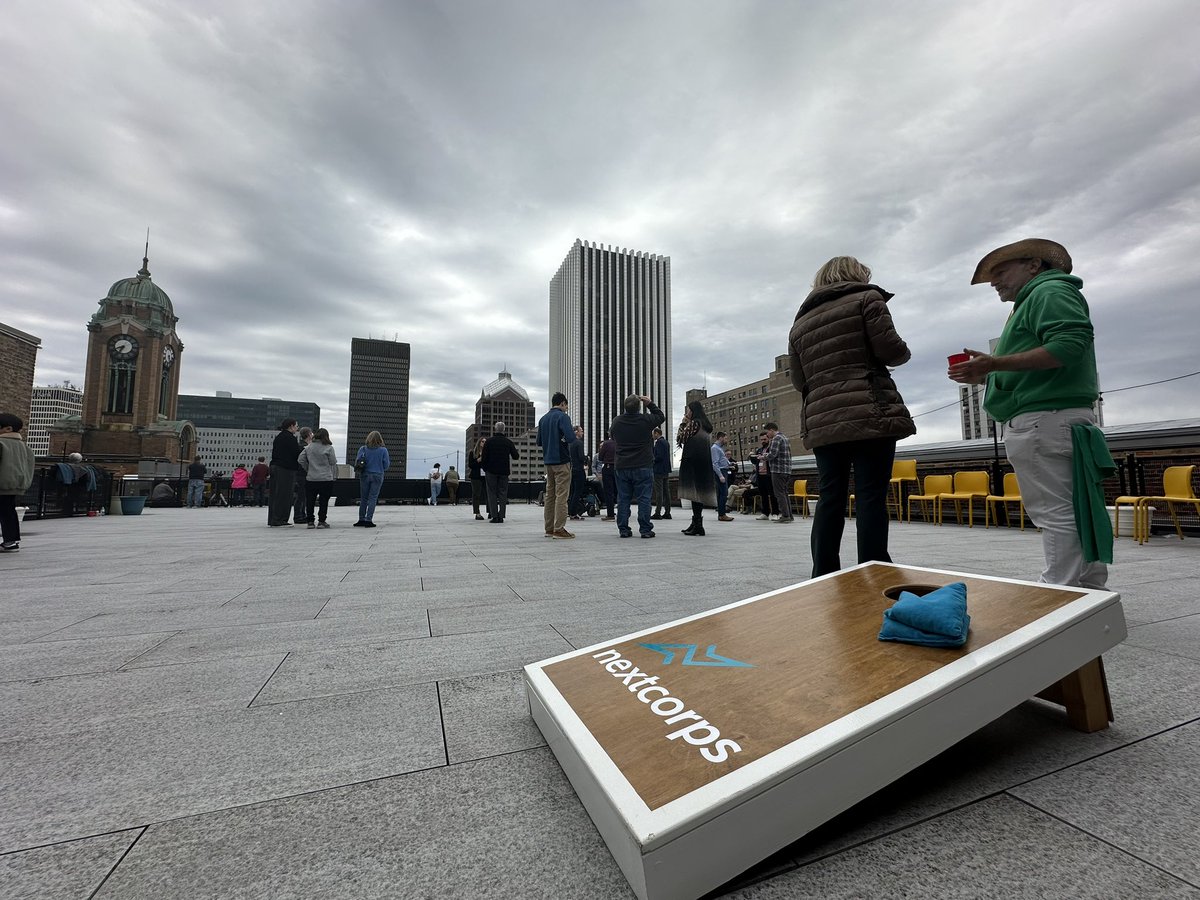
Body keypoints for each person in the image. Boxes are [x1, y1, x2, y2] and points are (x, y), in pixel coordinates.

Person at [950, 238, 1106, 589]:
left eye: (1001, 271)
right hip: (1060, 415)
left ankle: (1059, 590)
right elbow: (1064, 348)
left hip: (1042, 418)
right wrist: (990, 370)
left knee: (1054, 512)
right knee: (1076, 507)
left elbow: (1068, 346)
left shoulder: (1046, 293)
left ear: (1033, 265)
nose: (994, 282)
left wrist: (995, 363)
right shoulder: (1046, 296)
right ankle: (1089, 588)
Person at [788, 255, 915, 577]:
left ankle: (823, 572)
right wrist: (904, 351)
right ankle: (874, 570)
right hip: (868, 409)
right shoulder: (866, 298)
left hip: (823, 419)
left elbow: (800, 381)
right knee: (871, 494)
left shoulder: (800, 323)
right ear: (857, 275)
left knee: (831, 495)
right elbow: (891, 351)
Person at [609, 394, 665, 538]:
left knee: (623, 498)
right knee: (644, 498)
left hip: (622, 465)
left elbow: (612, 435)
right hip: (643, 464)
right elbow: (660, 416)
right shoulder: (645, 420)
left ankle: (623, 529)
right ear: (639, 406)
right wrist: (650, 403)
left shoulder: (617, 421)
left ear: (624, 407)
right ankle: (645, 529)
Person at [537, 392, 578, 539]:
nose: (566, 408)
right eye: (566, 406)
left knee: (550, 495)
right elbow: (571, 438)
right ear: (562, 403)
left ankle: (549, 528)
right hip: (562, 460)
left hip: (548, 461)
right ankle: (559, 529)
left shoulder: (543, 419)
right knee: (562, 495)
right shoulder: (562, 417)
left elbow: (539, 442)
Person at [676, 400, 717, 536]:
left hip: (692, 461)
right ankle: (696, 523)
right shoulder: (706, 426)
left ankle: (698, 525)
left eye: (688, 410)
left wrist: (683, 423)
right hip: (704, 461)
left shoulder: (694, 423)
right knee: (699, 492)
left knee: (694, 493)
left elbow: (681, 438)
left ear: (693, 411)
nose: (687, 413)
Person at [0, 413, 36, 552]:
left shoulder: (2, 443)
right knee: (8, 511)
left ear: (8, 429)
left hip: (2, 484)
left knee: (5, 511)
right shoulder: (24, 447)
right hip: (16, 485)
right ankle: (11, 541)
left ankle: (10, 542)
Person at [480, 422, 519, 524]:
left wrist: (485, 468)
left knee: (491, 493)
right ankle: (501, 516)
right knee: (503, 493)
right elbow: (516, 456)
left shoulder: (489, 442)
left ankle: (494, 516)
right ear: (504, 430)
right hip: (504, 471)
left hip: (491, 471)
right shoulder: (508, 442)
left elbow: (484, 457)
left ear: (495, 429)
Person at [299, 427, 338, 529]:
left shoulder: (309, 447)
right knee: (323, 501)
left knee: (310, 501)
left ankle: (310, 522)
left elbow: (301, 459)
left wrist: (308, 468)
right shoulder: (329, 448)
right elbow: (333, 462)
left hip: (311, 478)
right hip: (325, 478)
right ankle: (321, 521)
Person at [268, 419, 302, 527]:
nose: (297, 428)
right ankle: (280, 519)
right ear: (291, 426)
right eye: (296, 426)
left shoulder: (279, 437)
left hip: (275, 467)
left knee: (275, 495)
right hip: (285, 469)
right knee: (284, 494)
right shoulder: (290, 438)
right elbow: (296, 453)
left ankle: (273, 518)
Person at [354, 431, 390, 527]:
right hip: (378, 475)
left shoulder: (363, 449)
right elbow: (386, 465)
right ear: (380, 439)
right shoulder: (383, 450)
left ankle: (361, 519)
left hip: (365, 475)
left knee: (364, 498)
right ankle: (368, 520)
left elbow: (357, 461)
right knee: (373, 498)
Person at [764, 423, 794, 523]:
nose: (767, 434)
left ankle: (785, 515)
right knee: (784, 493)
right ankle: (789, 515)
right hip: (787, 470)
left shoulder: (776, 438)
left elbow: (773, 455)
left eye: (767, 432)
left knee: (779, 493)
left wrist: (763, 457)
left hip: (777, 470)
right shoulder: (785, 438)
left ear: (772, 430)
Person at [749, 433, 778, 519]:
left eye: (764, 439)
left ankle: (775, 513)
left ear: (768, 439)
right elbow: (756, 462)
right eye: (761, 440)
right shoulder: (759, 450)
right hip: (760, 475)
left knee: (772, 494)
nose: (763, 441)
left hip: (769, 475)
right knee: (763, 495)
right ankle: (765, 513)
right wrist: (752, 457)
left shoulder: (771, 449)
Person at [712, 432, 735, 522]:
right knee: (724, 493)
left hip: (724, 470)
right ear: (720, 438)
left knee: (723, 493)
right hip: (721, 472)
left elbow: (722, 459)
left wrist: (730, 464)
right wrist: (720, 475)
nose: (726, 440)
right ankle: (722, 514)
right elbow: (715, 463)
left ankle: (721, 514)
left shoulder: (719, 448)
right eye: (725, 438)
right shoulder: (715, 448)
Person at [651, 427, 672, 519]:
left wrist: (652, 460)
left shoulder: (659, 442)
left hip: (658, 470)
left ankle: (657, 512)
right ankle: (667, 512)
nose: (652, 436)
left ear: (656, 433)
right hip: (666, 470)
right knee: (666, 492)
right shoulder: (666, 442)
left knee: (659, 492)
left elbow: (658, 457)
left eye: (653, 434)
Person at [293, 426, 313, 524]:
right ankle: (298, 516)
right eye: (311, 433)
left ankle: (302, 514)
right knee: (301, 495)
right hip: (302, 473)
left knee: (303, 495)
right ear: (309, 434)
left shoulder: (301, 445)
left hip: (301, 473)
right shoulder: (303, 447)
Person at [568, 426, 588, 520]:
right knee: (578, 492)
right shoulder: (579, 443)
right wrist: (586, 458)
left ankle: (571, 511)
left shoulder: (570, 443)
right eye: (581, 431)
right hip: (579, 470)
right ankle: (574, 512)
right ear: (576, 432)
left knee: (573, 492)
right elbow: (581, 457)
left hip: (572, 470)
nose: (582, 433)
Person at [597, 431, 616, 520]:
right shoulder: (621, 443)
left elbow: (600, 457)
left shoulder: (606, 444)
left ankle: (610, 514)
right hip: (619, 468)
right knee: (621, 491)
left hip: (608, 467)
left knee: (609, 492)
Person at [468, 437, 486, 521]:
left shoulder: (487, 453)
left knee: (488, 494)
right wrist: (478, 460)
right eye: (482, 441)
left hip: (486, 476)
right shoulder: (473, 452)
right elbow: (470, 465)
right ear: (479, 443)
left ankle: (490, 512)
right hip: (475, 476)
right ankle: (477, 513)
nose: (484, 443)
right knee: (476, 494)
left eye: (485, 442)